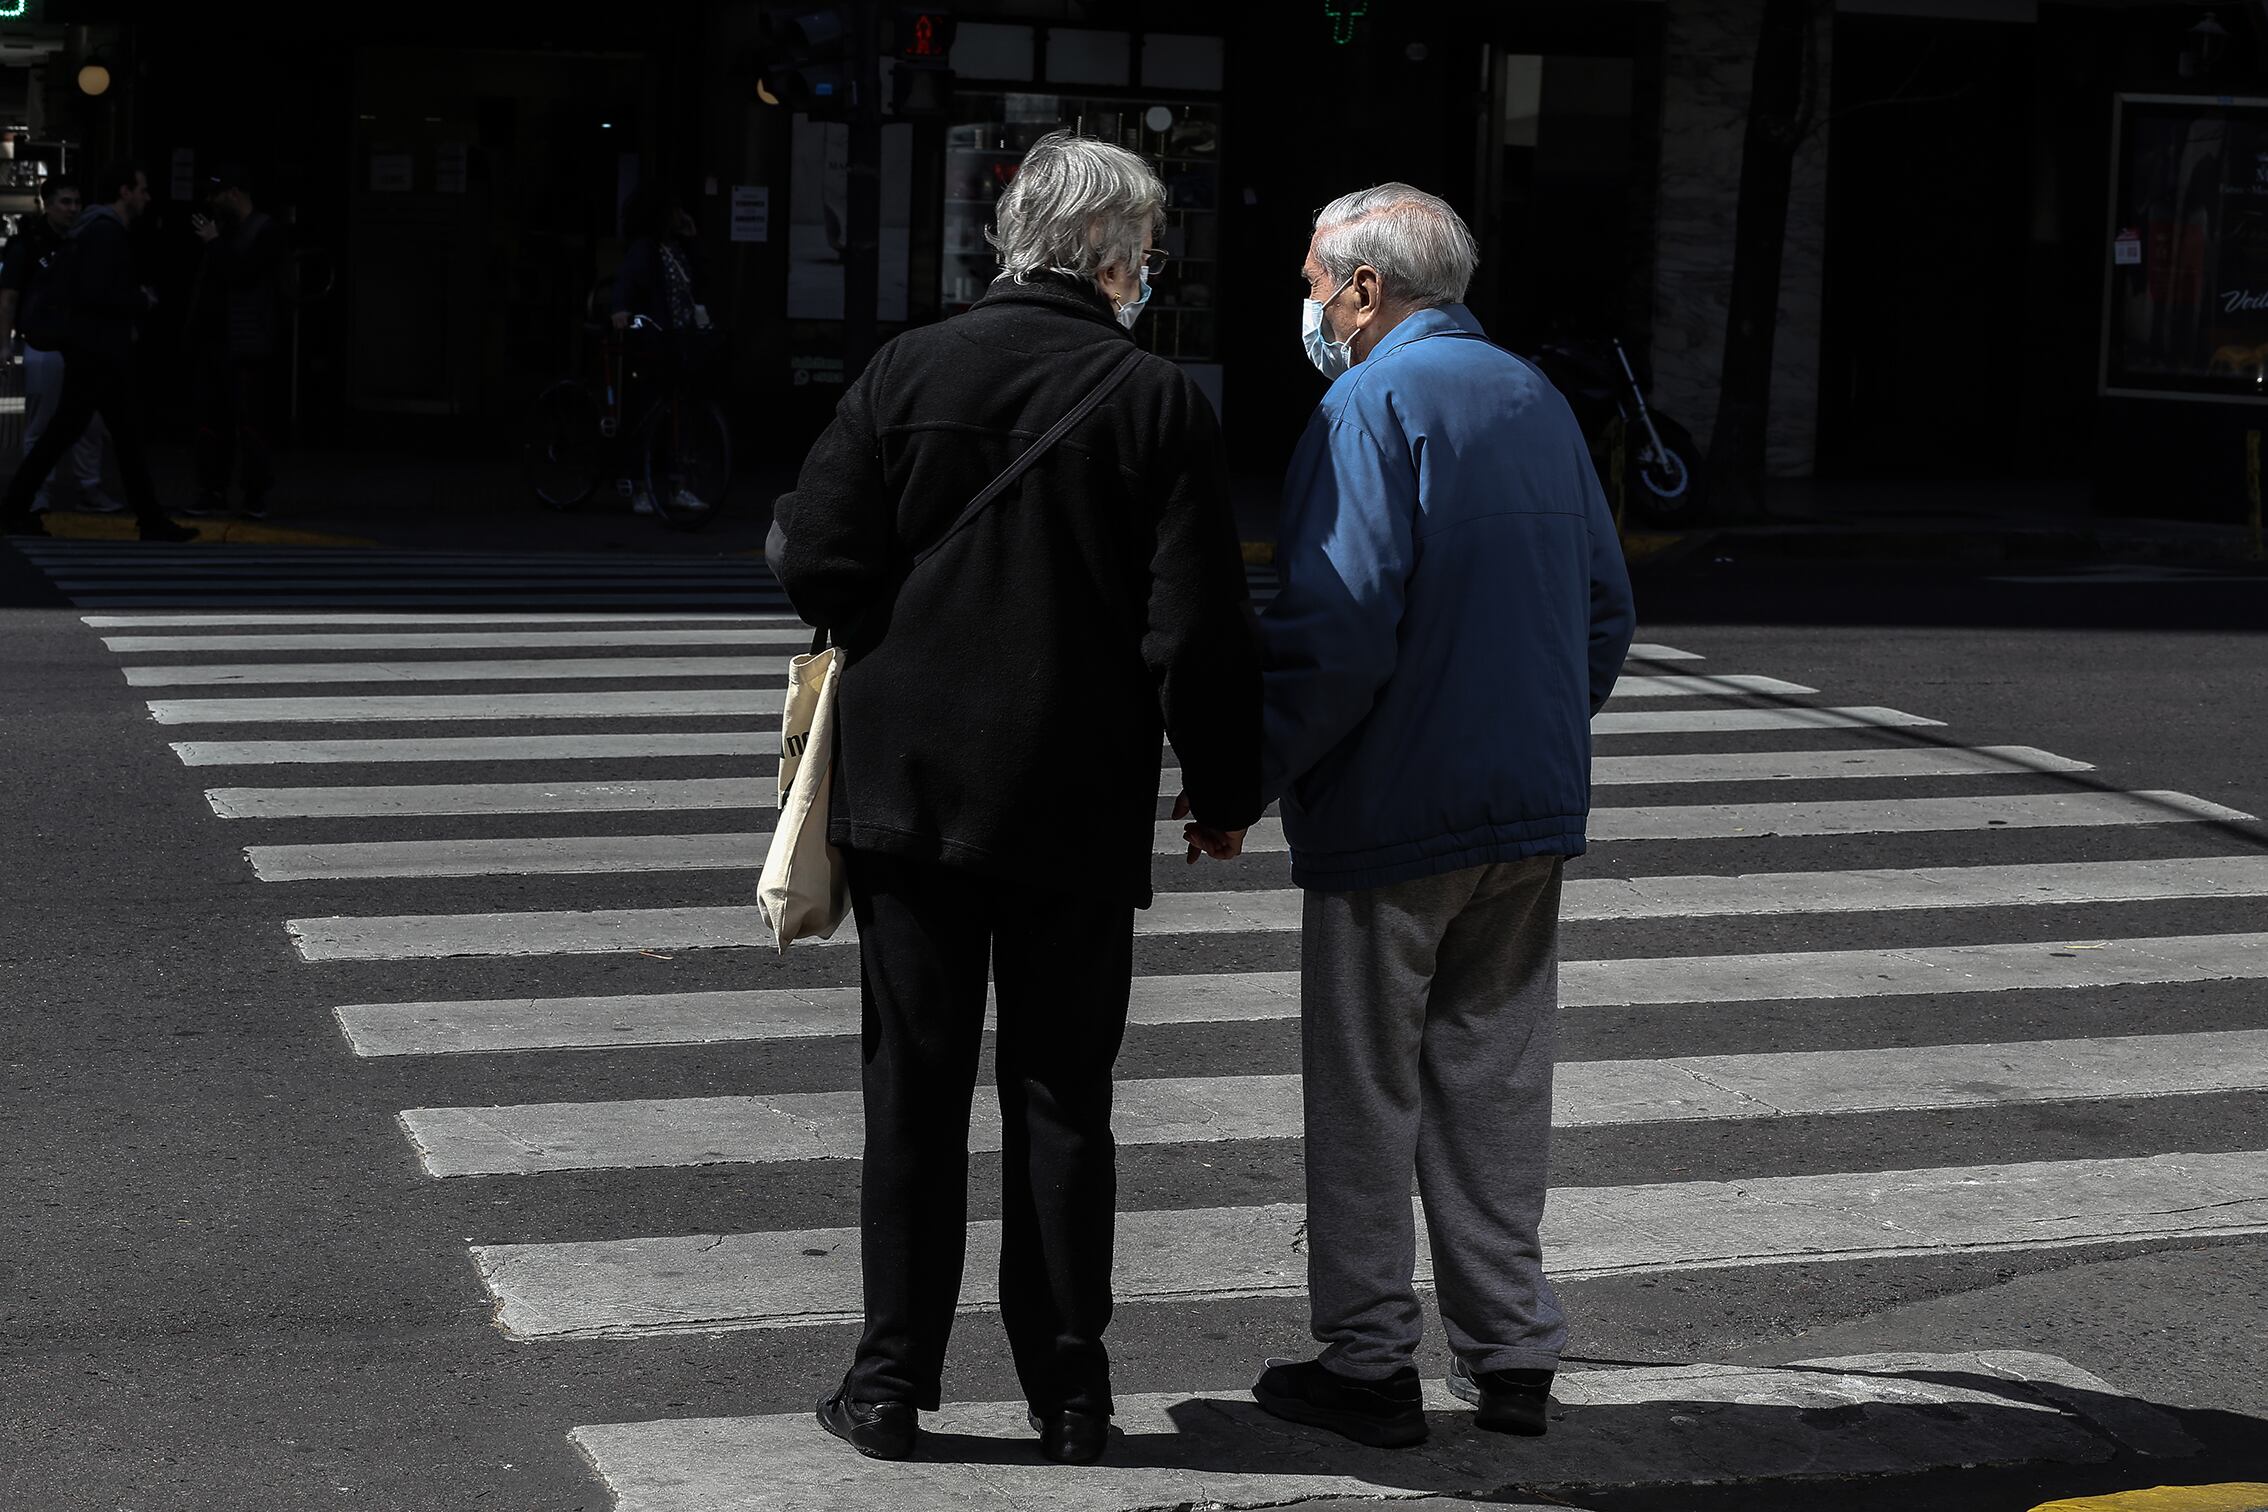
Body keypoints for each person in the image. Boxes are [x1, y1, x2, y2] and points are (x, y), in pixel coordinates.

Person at [772, 129, 1261, 1468]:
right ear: (1113, 257)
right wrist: (1223, 792)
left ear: (1014, 238)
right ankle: (1071, 1394)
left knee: (913, 1092)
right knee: (1063, 1098)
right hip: (1073, 798)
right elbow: (1199, 635)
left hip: (911, 792)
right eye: (1147, 253)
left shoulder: (904, 370)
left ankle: (886, 1388)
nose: (1148, 275)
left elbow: (817, 560)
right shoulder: (1157, 402)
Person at [1216, 183, 1634, 1449]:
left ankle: (1369, 1365)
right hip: (1530, 806)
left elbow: (1336, 629)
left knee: (1365, 1097)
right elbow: (1604, 614)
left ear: (1362, 288)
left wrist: (1246, 778)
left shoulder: (1366, 403)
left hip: (1395, 812)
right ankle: (1512, 1356)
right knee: (1495, 1087)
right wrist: (1533, 733)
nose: (1305, 304)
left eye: (1310, 280)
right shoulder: (1535, 398)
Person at [0, 160, 194, 542]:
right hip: (99, 351)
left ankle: (149, 518)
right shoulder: (106, 233)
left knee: (110, 434)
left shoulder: (93, 229)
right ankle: (15, 507)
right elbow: (98, 292)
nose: (147, 197)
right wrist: (140, 301)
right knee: (87, 433)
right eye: (142, 189)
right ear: (124, 192)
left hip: (93, 350)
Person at [0, 175, 125, 517]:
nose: (72, 209)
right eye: (64, 202)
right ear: (47, 204)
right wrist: (5, 344)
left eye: (75, 202)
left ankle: (76, 488)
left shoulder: (76, 240)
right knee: (46, 422)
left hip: (74, 343)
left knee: (86, 423)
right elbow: (8, 297)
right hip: (47, 342)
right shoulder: (28, 244)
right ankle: (41, 491)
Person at [610, 182, 719, 514]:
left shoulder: (678, 248)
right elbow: (627, 286)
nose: (678, 217)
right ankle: (642, 486)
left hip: (678, 338)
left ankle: (676, 484)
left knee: (678, 415)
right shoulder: (645, 249)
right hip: (655, 341)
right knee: (647, 413)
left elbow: (701, 279)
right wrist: (623, 313)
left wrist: (693, 237)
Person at [185, 165, 285, 518]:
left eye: (216, 194)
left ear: (234, 193)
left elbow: (245, 274)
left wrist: (214, 243)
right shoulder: (227, 230)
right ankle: (212, 489)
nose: (210, 202)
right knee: (213, 418)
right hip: (218, 339)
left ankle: (253, 493)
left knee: (250, 420)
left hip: (246, 341)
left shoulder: (262, 231)